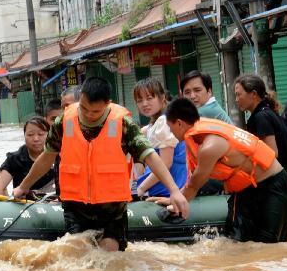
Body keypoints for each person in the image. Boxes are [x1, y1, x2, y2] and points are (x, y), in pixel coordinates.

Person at [16, 77, 189, 252]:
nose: (88, 115)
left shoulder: (123, 123)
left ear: (108, 104)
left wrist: (174, 190)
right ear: (81, 98)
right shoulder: (64, 121)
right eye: (84, 108)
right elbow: (46, 158)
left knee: (109, 254)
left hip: (112, 208)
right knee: (76, 253)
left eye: (95, 111)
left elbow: (149, 155)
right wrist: (23, 186)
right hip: (76, 206)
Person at [156, 98, 287, 243]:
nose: (171, 132)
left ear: (180, 123)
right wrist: (175, 197)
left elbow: (195, 184)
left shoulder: (209, 147)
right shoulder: (201, 132)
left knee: (270, 246)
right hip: (245, 189)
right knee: (237, 242)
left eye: (170, 128)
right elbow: (192, 181)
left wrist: (175, 202)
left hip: (272, 184)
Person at [132, 78, 188, 198]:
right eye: (139, 100)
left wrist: (141, 188)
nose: (144, 104)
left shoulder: (164, 121)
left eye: (149, 98)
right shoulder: (157, 121)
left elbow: (165, 164)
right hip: (166, 180)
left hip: (170, 183)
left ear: (162, 98)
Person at [234, 74, 287, 175]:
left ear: (254, 94)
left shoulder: (261, 117)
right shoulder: (266, 112)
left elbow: (272, 154)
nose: (236, 99)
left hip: (279, 179)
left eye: (239, 94)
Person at [0, 116, 55, 195]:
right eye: (30, 135)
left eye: (40, 134)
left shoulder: (59, 156)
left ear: (49, 135)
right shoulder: (15, 159)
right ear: (24, 136)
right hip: (24, 204)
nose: (36, 139)